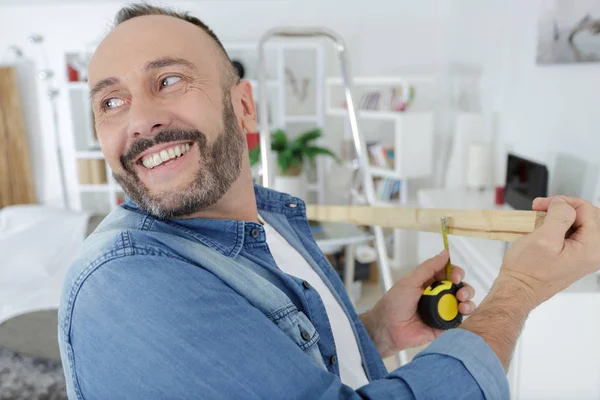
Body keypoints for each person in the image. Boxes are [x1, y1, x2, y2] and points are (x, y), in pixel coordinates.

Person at [58, 4, 600, 399]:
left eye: (169, 79)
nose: (139, 119)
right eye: (111, 100)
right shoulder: (127, 280)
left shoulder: (268, 219)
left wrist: (377, 330)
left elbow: (279, 370)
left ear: (243, 107)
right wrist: (518, 293)